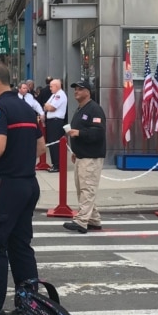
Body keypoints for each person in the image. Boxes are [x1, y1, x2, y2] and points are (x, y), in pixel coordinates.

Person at [0, 60, 44, 315]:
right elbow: (40, 148)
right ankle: (29, 307)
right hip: (28, 183)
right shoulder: (28, 109)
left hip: (5, 183)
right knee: (21, 246)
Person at [63, 79, 107, 233]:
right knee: (83, 189)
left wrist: (79, 133)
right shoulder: (80, 109)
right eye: (75, 89)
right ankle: (94, 219)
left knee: (87, 189)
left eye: (80, 89)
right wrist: (76, 151)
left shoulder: (94, 110)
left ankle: (81, 221)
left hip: (91, 157)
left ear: (88, 92)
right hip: (82, 156)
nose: (76, 91)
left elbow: (98, 132)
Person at [43, 78, 68, 173]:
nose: (50, 88)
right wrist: (46, 106)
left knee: (55, 144)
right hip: (52, 122)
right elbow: (45, 106)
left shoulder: (59, 95)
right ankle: (55, 163)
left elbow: (51, 107)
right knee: (52, 144)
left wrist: (47, 105)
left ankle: (57, 165)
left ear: (57, 86)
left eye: (51, 86)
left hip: (56, 122)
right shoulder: (54, 95)